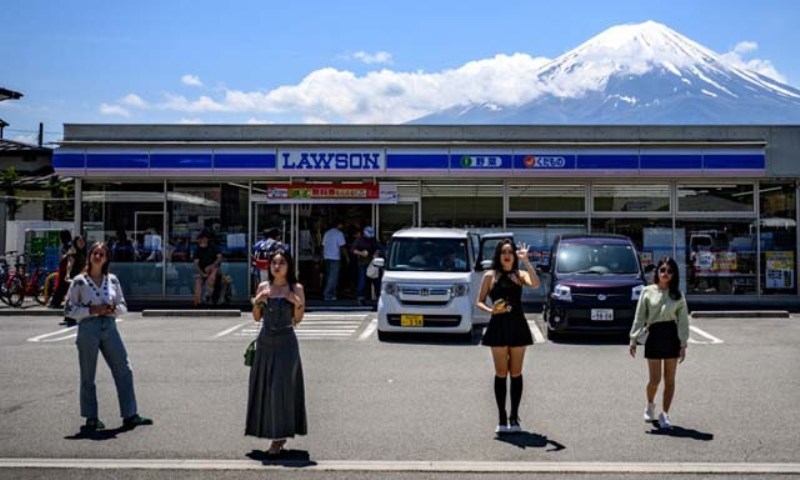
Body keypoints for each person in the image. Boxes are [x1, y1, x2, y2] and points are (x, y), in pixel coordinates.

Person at [64, 241, 153, 433]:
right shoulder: (79, 281)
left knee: (124, 369)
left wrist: (114, 310)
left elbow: (123, 305)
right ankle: (91, 417)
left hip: (109, 326)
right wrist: (91, 310)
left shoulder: (112, 280)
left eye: (101, 254)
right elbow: (69, 309)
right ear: (89, 256)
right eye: (95, 253)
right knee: (88, 374)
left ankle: (130, 414)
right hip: (89, 327)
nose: (97, 256)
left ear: (106, 258)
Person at [476, 238, 541, 434]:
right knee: (501, 373)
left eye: (510, 252)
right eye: (504, 252)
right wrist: (491, 310)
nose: (507, 255)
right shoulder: (490, 275)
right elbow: (479, 301)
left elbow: (536, 284)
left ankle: (514, 416)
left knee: (516, 373)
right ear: (499, 255)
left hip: (518, 325)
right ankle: (501, 417)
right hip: (498, 325)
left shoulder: (519, 275)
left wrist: (527, 261)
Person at [246, 249, 307, 455]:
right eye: (274, 263)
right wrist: (258, 301)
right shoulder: (263, 286)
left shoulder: (296, 287)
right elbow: (256, 317)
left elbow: (298, 319)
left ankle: (278, 438)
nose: (277, 266)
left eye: (281, 263)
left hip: (286, 342)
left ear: (288, 266)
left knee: (281, 389)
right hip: (265, 341)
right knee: (265, 387)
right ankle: (270, 432)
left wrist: (295, 302)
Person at [629, 256, 690, 429]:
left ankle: (665, 414)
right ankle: (649, 404)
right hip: (653, 335)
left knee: (670, 379)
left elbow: (683, 321)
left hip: (671, 336)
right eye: (662, 270)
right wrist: (633, 339)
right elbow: (639, 316)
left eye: (669, 271)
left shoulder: (678, 295)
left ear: (674, 275)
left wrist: (683, 344)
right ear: (657, 271)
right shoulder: (647, 291)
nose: (665, 273)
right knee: (654, 380)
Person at [61, 236, 88, 327]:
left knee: (76, 298)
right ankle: (70, 318)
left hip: (81, 277)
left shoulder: (84, 252)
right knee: (72, 298)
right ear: (75, 242)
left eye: (83, 241)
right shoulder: (73, 251)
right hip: (73, 277)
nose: (81, 243)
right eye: (79, 241)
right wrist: (68, 274)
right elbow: (70, 263)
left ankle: (69, 317)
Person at [193, 231, 222, 306]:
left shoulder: (213, 247)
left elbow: (219, 258)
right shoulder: (197, 250)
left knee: (213, 274)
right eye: (202, 239)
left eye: (205, 238)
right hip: (201, 271)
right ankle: (198, 303)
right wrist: (202, 274)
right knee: (198, 282)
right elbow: (196, 264)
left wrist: (212, 266)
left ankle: (208, 294)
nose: (203, 240)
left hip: (213, 269)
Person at [351, 226, 378, 305]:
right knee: (362, 281)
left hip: (372, 264)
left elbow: (377, 247)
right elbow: (353, 250)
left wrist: (376, 253)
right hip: (363, 263)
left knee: (376, 281)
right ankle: (360, 298)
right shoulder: (359, 240)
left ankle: (379, 297)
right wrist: (361, 253)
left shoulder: (373, 240)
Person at [321, 220, 347, 301]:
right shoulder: (339, 234)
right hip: (335, 257)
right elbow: (342, 246)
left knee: (329, 276)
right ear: (338, 225)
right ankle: (328, 294)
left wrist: (322, 256)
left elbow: (323, 245)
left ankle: (332, 293)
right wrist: (346, 256)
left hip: (327, 256)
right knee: (333, 277)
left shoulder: (327, 233)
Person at [48, 229, 74, 309]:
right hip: (67, 267)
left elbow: (69, 255)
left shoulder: (67, 244)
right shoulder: (70, 244)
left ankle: (55, 302)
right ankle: (56, 302)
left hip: (65, 266)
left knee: (61, 285)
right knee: (63, 286)